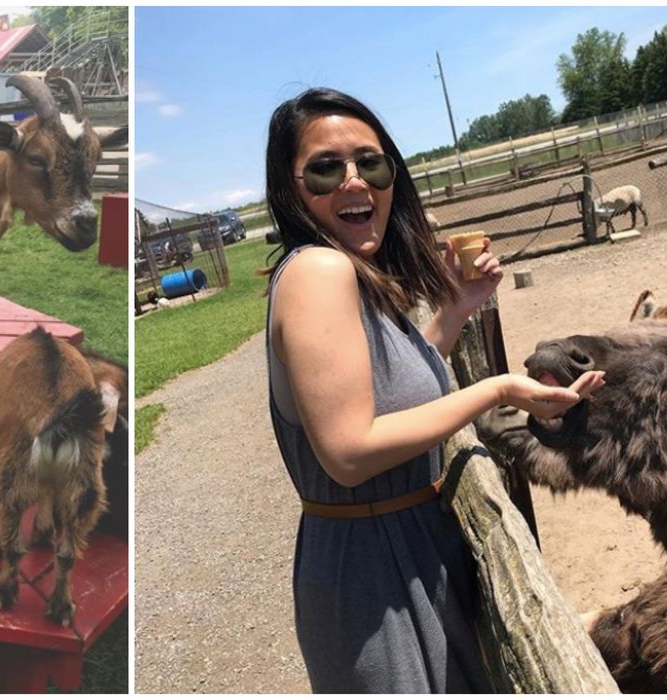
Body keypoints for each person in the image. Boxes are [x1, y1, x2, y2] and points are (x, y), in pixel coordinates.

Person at [263, 88, 604, 693]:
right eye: (326, 168)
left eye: (371, 164)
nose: (354, 181)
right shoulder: (319, 271)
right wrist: (498, 390)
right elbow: (349, 452)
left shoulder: (350, 272)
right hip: (372, 566)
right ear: (292, 188)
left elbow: (389, 391)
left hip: (399, 545)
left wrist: (456, 308)